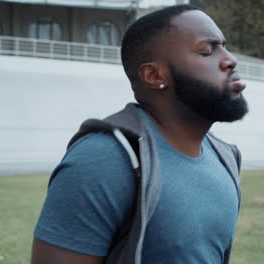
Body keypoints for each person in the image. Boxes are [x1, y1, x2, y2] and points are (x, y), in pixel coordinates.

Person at [31, 4, 248, 264]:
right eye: (206, 51)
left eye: (224, 46)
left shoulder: (224, 157)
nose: (230, 59)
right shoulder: (102, 160)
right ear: (154, 75)